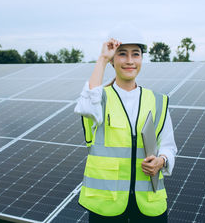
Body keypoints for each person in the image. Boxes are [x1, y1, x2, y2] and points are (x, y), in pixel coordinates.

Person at [74, 32, 177, 222]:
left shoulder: (158, 101)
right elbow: (86, 105)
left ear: (142, 59)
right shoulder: (99, 98)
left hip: (149, 203)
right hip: (106, 205)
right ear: (113, 60)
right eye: (122, 54)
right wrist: (103, 58)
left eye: (135, 54)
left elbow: (168, 146)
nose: (129, 61)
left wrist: (161, 161)